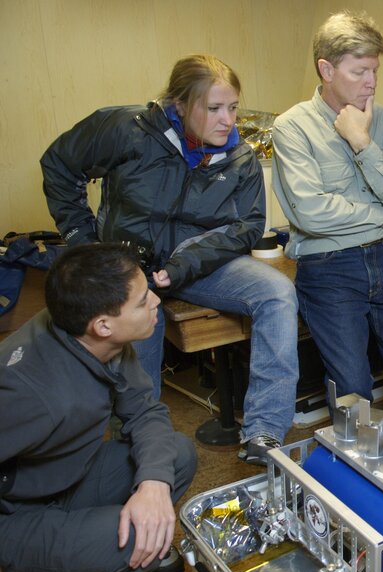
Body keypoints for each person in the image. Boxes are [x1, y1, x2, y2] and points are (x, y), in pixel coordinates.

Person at [40, 54, 299, 465]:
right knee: (139, 325)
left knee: (279, 292)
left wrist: (184, 264)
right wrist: (82, 242)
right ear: (179, 104)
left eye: (232, 107)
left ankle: (264, 431)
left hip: (197, 264)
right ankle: (133, 449)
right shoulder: (125, 129)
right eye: (213, 109)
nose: (228, 120)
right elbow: (58, 164)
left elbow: (247, 227)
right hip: (129, 269)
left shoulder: (241, 157)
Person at [0, 243, 197, 572]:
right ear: (103, 324)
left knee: (176, 454)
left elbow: (144, 411)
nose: (156, 301)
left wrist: (153, 484)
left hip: (62, 483)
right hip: (15, 520)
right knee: (138, 540)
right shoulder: (28, 394)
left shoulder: (94, 339)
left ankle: (76, 571)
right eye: (143, 301)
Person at [271, 11, 383, 418]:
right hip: (327, 266)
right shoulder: (292, 127)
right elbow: (311, 213)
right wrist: (382, 217)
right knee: (352, 387)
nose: (371, 82)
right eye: (359, 71)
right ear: (326, 69)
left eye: (375, 70)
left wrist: (362, 141)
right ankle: (358, 472)